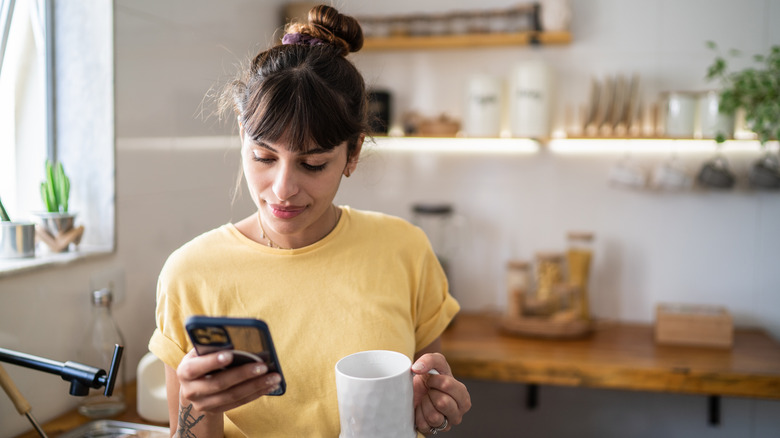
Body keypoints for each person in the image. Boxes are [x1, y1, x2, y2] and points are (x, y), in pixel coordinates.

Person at [148, 4, 471, 437]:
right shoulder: (190, 273)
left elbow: (417, 409)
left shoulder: (404, 250)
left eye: (313, 164)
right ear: (242, 136)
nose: (282, 188)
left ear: (352, 154)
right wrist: (197, 404)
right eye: (264, 157)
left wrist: (433, 406)